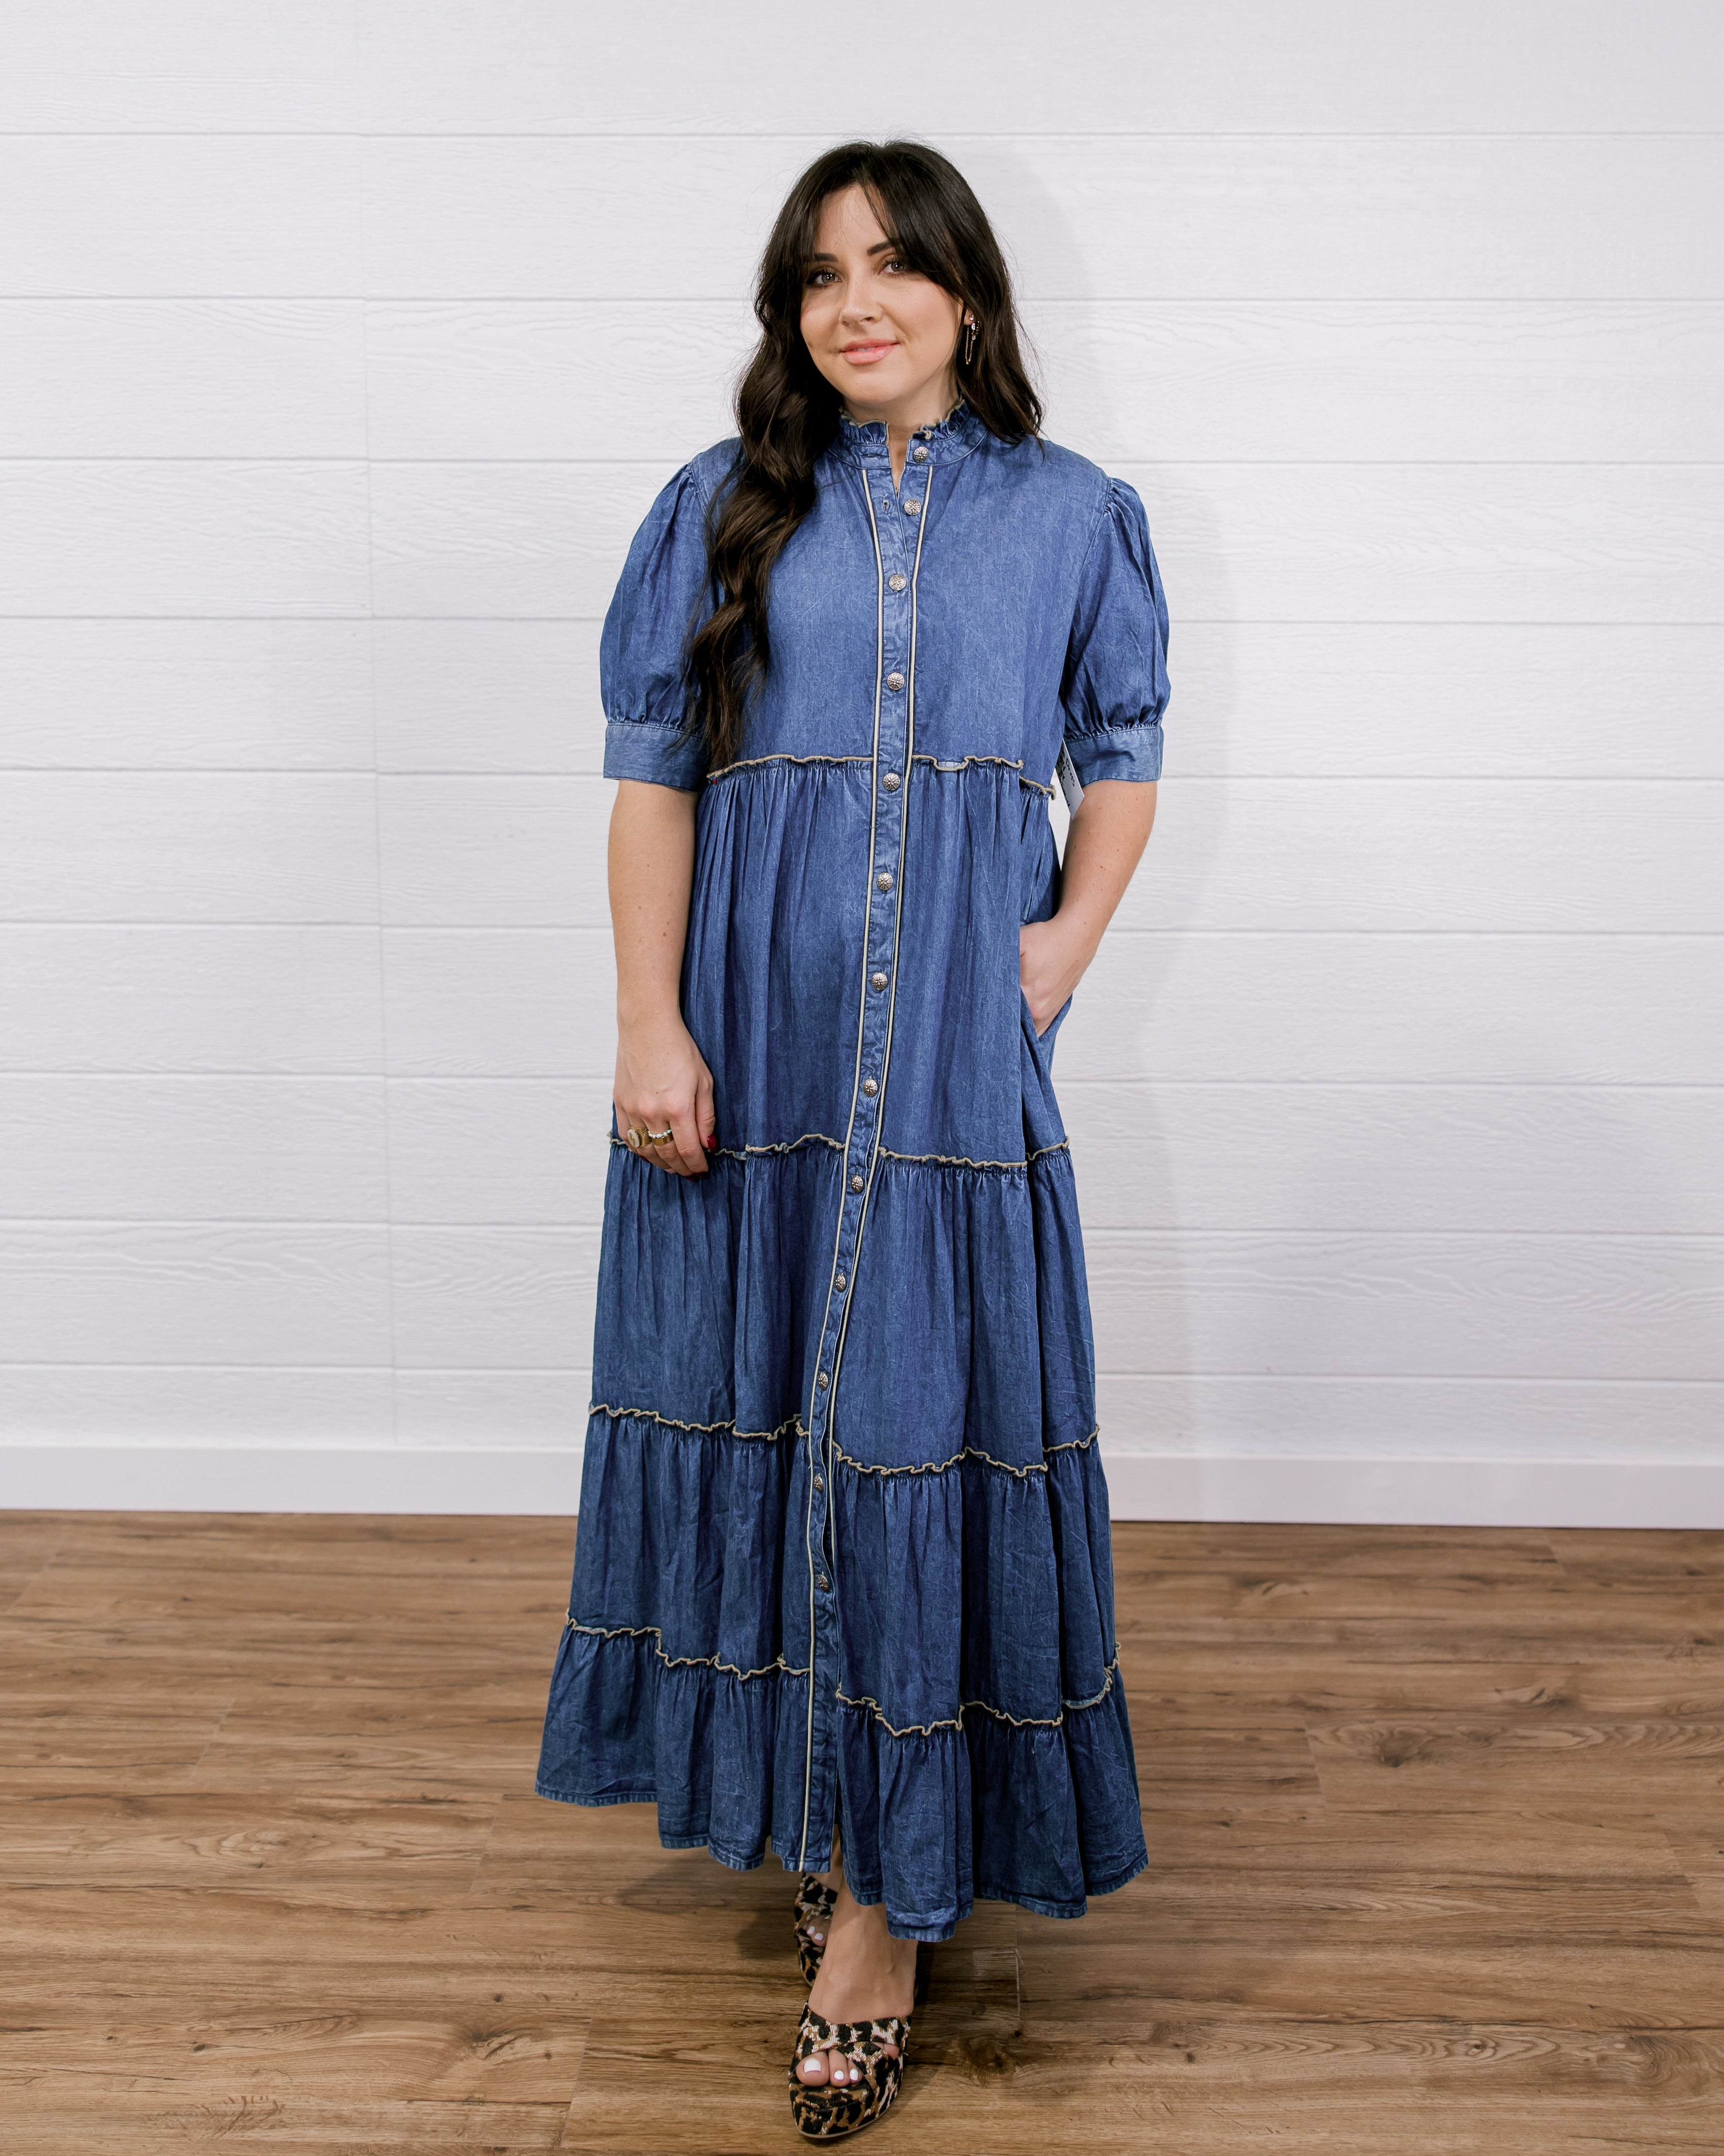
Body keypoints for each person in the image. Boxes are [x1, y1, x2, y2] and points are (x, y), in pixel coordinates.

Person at [535, 137, 1170, 2140]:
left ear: (967, 291)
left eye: (894, 264)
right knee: (768, 1418)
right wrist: (648, 1021)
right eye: (819, 275)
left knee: (913, 1425)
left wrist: (1057, 945)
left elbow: (1122, 753)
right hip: (751, 1052)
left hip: (954, 1074)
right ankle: (825, 1819)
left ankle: (883, 1920)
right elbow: (654, 784)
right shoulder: (719, 504)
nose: (855, 303)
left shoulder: (1075, 516)